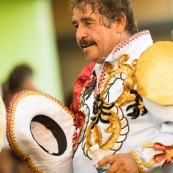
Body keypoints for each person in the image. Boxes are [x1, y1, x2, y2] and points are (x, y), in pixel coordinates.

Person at [68, 0, 173, 173]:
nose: (79, 34)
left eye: (88, 23)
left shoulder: (151, 62)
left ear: (118, 22)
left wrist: (137, 159)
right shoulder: (93, 75)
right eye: (76, 25)